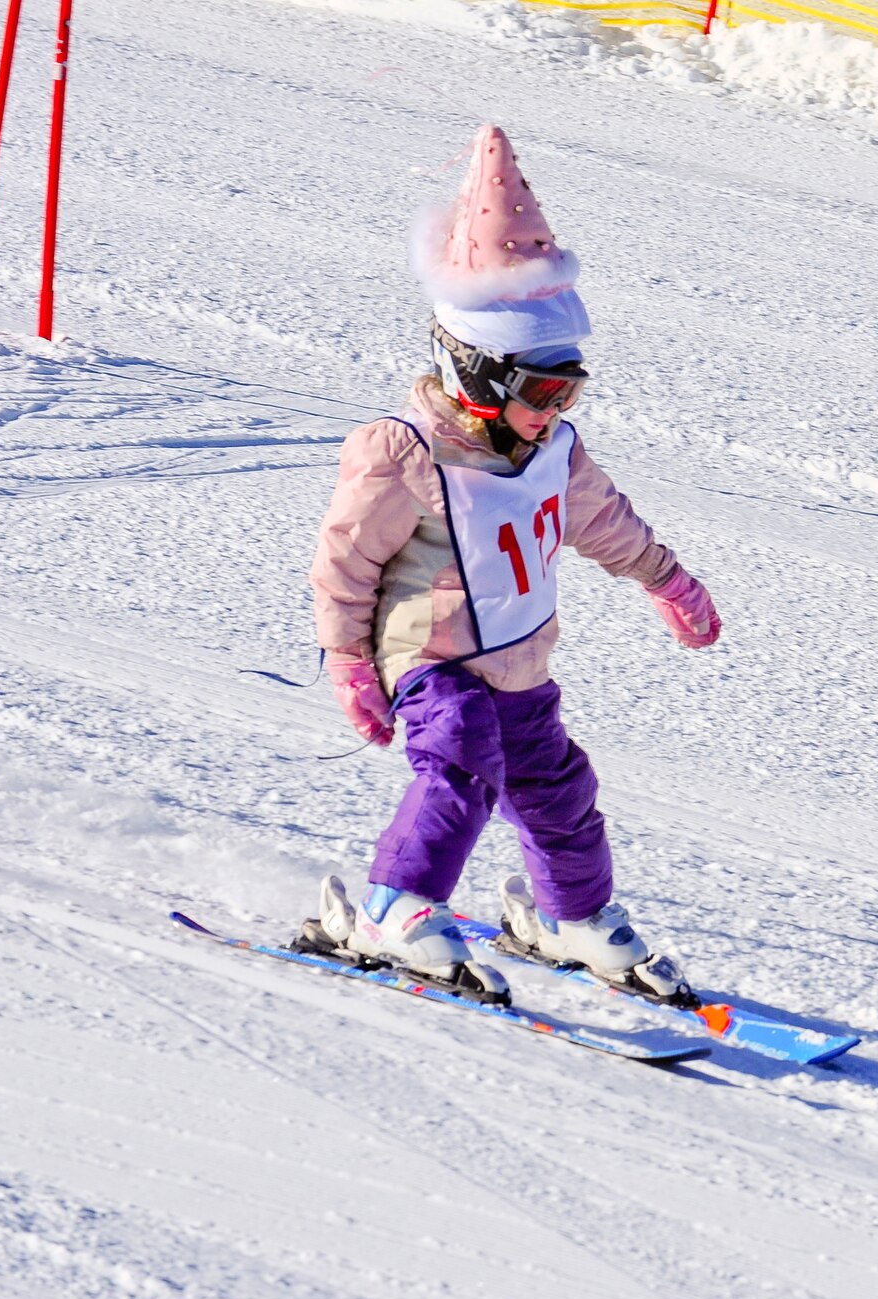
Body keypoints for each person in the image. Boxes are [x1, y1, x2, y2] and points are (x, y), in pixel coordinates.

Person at [302, 124, 720, 1007]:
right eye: (539, 391)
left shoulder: (553, 452)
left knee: (560, 787)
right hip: (431, 659)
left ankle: (573, 915)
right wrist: (348, 660)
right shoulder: (404, 456)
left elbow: (604, 521)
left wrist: (665, 579)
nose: (554, 409)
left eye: (568, 390)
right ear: (476, 371)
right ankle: (395, 905)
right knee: (460, 769)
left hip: (521, 658)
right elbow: (344, 564)